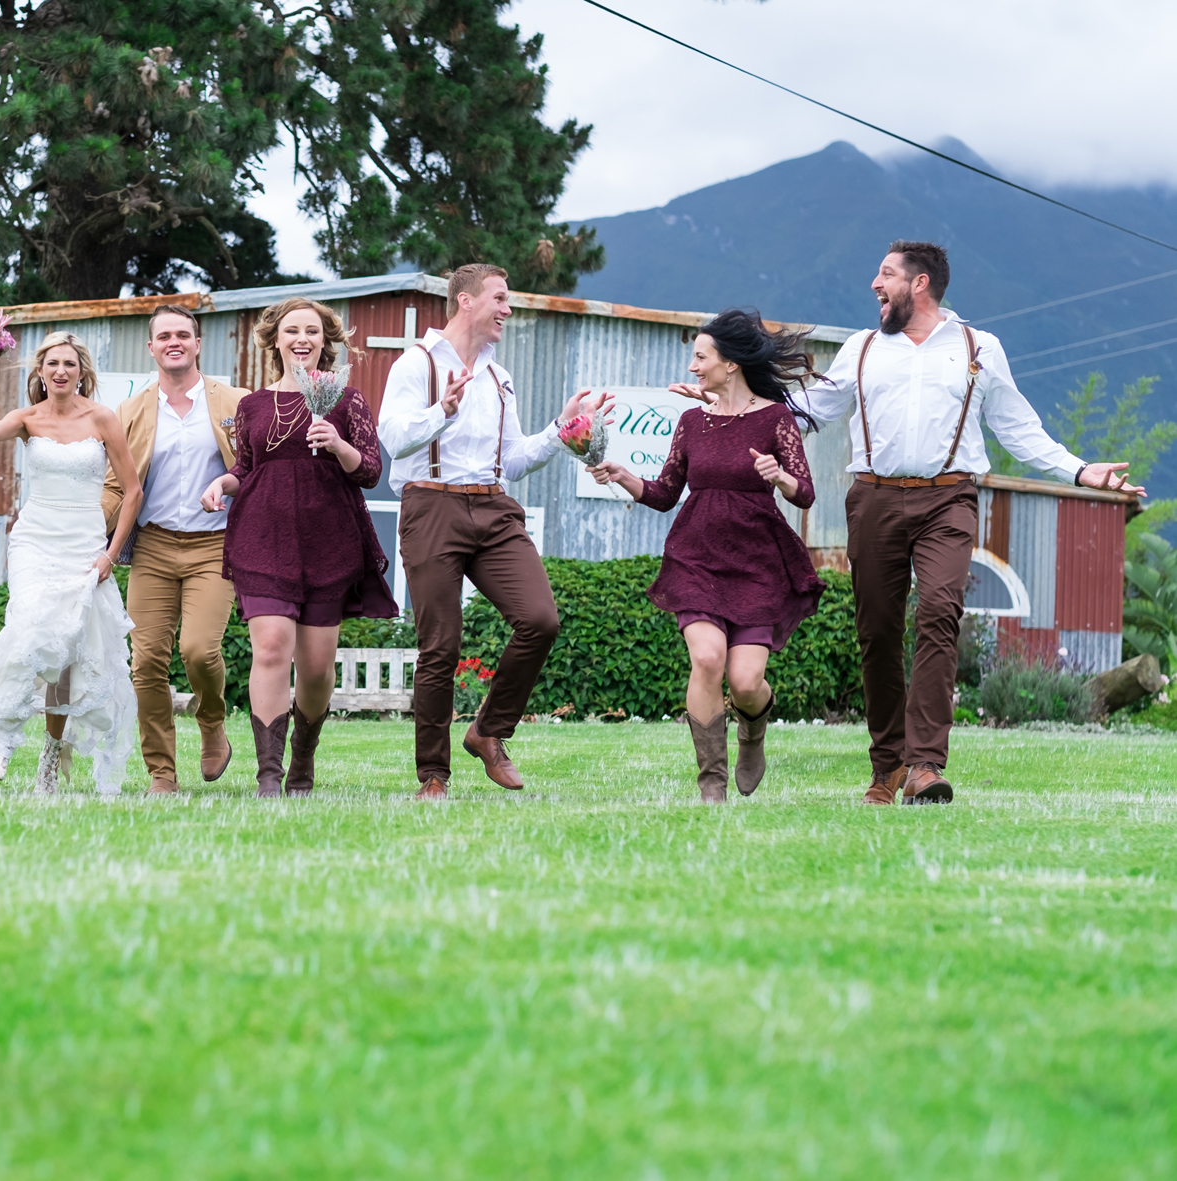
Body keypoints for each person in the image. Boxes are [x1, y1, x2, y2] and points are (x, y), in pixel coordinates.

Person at [794, 241, 1147, 805]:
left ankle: (927, 766)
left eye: (885, 274)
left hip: (948, 500)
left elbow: (1017, 428)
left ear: (920, 284)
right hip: (874, 500)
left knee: (939, 610)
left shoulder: (978, 348)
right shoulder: (861, 349)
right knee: (878, 632)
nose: (873, 284)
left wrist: (1080, 471)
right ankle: (888, 765)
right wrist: (731, 407)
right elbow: (809, 409)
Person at [377, 264, 606, 800]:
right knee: (441, 646)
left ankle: (486, 732)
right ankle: (433, 775)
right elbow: (394, 440)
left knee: (540, 619)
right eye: (500, 299)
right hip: (431, 505)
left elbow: (514, 460)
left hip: (494, 507)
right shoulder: (415, 364)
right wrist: (443, 410)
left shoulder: (499, 377)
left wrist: (561, 428)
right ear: (465, 302)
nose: (508, 309)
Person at [590, 309, 824, 801]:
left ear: (732, 363)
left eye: (701, 356)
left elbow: (804, 492)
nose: (694, 366)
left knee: (745, 681)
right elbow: (664, 493)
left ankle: (753, 732)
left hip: (757, 562)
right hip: (696, 555)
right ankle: (711, 783)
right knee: (708, 656)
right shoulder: (693, 422)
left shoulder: (776, 420)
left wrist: (778, 476)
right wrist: (621, 474)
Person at [199, 297, 396, 797]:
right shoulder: (252, 406)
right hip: (262, 538)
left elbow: (371, 472)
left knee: (314, 667)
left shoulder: (347, 401)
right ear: (276, 341)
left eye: (312, 331)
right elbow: (247, 469)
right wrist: (223, 484)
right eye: (292, 331)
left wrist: (339, 444)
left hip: (328, 542)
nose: (302, 339)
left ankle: (301, 762)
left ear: (325, 342)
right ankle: (268, 776)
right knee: (269, 650)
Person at [0, 331, 144, 794]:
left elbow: (132, 491)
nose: (60, 371)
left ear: (81, 372)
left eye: (69, 364)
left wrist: (110, 553)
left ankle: (51, 752)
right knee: (28, 626)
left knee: (67, 656)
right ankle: (3, 740)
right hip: (35, 540)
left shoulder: (102, 418)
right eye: (52, 365)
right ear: (40, 374)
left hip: (85, 544)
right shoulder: (26, 418)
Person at [101, 305, 248, 795]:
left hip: (215, 546)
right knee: (145, 663)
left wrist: (226, 488)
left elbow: (253, 471)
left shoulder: (235, 403)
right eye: (164, 336)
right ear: (151, 347)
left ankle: (212, 722)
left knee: (199, 651)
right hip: (155, 547)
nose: (174, 342)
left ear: (198, 343)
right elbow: (116, 486)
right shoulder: (130, 411)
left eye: (183, 334)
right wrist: (84, 533)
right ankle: (162, 772)